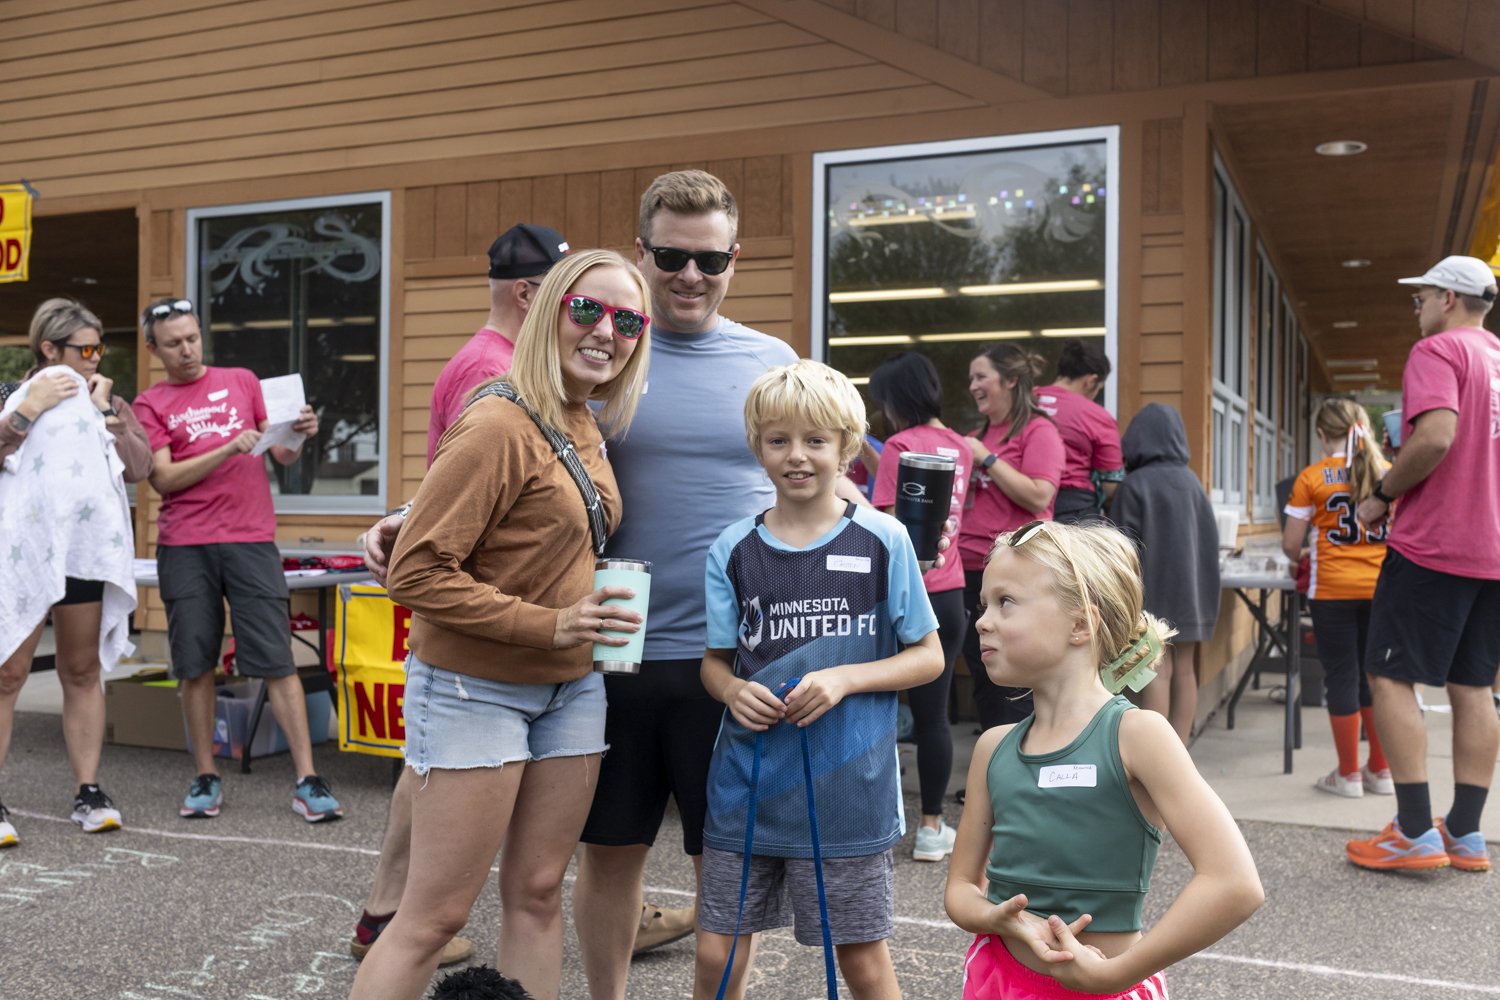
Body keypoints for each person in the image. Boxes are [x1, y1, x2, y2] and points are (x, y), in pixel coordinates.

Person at [346, 249, 651, 1000]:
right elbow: (415, 573)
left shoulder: (583, 420)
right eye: (588, 309)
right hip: (470, 689)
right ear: (547, 309)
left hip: (572, 692)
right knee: (434, 915)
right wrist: (550, 625)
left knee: (539, 893)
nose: (607, 331)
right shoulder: (499, 419)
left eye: (627, 319)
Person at [350, 223, 568, 968]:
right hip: (487, 638)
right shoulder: (493, 370)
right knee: (436, 800)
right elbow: (475, 493)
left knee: (423, 764)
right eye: (566, 297)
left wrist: (404, 517)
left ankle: (382, 913)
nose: (581, 317)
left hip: (488, 630)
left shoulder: (493, 361)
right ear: (528, 293)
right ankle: (391, 919)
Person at [696, 359, 942, 1000]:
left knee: (861, 962)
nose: (796, 456)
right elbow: (716, 662)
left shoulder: (884, 540)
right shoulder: (732, 548)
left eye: (815, 440)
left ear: (847, 447)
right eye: (778, 440)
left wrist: (846, 679)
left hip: (847, 795)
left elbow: (929, 656)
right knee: (715, 952)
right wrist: (729, 690)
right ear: (758, 448)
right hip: (745, 788)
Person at [945, 519, 1264, 999]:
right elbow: (961, 889)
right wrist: (1001, 919)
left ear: (1080, 624)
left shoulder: (1138, 736)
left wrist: (1121, 972)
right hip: (997, 980)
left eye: (1005, 602)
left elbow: (1235, 883)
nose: (983, 621)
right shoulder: (993, 747)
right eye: (983, 604)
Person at [132, 296, 340, 822]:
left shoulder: (242, 381)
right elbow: (163, 478)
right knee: (195, 663)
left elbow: (282, 452)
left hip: (250, 537)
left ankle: (308, 779)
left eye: (193, 337)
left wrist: (300, 430)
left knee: (276, 658)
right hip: (186, 543)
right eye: (174, 343)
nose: (188, 350)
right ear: (153, 348)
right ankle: (206, 776)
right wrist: (226, 447)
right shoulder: (150, 403)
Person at [1346, 256, 1500, 873]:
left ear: (1448, 299)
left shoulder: (1439, 353)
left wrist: (1382, 494)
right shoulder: (1495, 357)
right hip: (1491, 551)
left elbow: (1436, 435)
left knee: (1389, 675)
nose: (1416, 310)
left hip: (1435, 542)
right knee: (1475, 687)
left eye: (1421, 299)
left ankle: (1412, 830)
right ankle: (1464, 833)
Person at [0, 300, 152, 846]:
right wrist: (25, 412)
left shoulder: (104, 399)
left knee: (83, 668)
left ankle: (89, 791)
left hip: (85, 552)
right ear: (49, 349)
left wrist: (108, 412)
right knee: (8, 673)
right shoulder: (11, 394)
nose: (94, 359)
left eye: (98, 349)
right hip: (24, 551)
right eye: (84, 349)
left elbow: (139, 469)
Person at [867, 351, 970, 862]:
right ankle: (932, 827)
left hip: (902, 597)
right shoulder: (958, 446)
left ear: (898, 399)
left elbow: (888, 528)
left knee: (878, 708)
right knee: (934, 717)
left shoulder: (900, 447)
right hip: (950, 596)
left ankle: (874, 820)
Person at [1281, 399, 1393, 799]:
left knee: (1342, 675)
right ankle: (1381, 770)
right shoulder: (1390, 473)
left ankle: (1348, 775)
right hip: (1383, 589)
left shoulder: (1312, 476)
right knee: (1377, 678)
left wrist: (1306, 554)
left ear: (1321, 435)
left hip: (1331, 590)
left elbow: (1291, 545)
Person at [958, 344, 1064, 731]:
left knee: (1016, 679)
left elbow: (1039, 495)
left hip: (1019, 569)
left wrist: (986, 458)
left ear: (1012, 381)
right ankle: (993, 773)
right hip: (969, 569)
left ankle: (1023, 774)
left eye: (981, 376)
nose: (973, 386)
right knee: (984, 676)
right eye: (971, 378)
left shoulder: (1040, 431)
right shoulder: (977, 435)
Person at [1108, 403, 1220, 745]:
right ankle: (1180, 752)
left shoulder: (1134, 485)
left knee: (1156, 669)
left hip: (1152, 592)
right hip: (1192, 593)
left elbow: (1121, 548)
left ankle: (1154, 758)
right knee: (1185, 669)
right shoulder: (1192, 483)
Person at [1034, 339, 1123, 523]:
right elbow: (1110, 485)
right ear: (1091, 381)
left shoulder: (1026, 400)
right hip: (1073, 510)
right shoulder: (1096, 416)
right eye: (1098, 389)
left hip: (1020, 503)